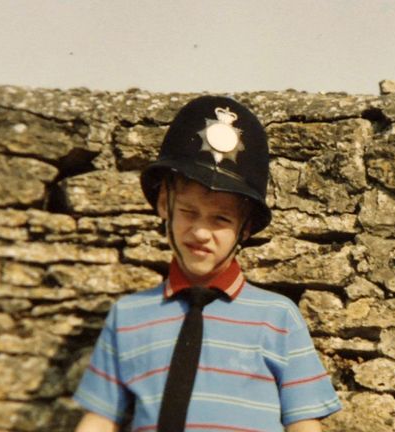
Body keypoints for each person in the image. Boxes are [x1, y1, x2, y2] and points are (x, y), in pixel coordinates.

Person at [73, 95, 341, 432]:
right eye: (188, 212)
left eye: (220, 219)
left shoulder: (278, 318)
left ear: (245, 228)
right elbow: (99, 419)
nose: (200, 232)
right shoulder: (128, 317)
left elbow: (304, 424)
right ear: (162, 204)